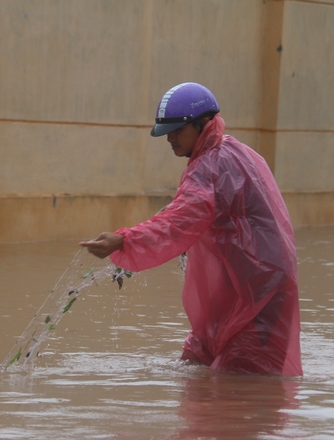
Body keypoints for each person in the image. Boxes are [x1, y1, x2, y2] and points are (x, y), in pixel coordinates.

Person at [80, 82, 302, 376]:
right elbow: (197, 210)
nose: (170, 138)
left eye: (177, 130)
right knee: (194, 367)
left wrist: (124, 240)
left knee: (242, 388)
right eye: (167, 132)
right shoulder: (234, 152)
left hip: (258, 293)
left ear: (202, 124)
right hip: (237, 290)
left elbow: (181, 220)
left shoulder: (210, 165)